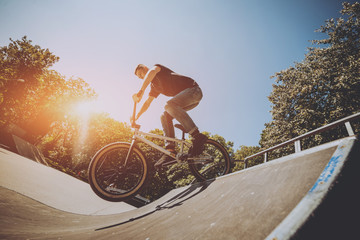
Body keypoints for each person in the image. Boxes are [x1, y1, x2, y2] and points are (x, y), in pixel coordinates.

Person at [132, 64, 207, 167]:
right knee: (164, 116)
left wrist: (141, 91)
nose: (141, 77)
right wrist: (136, 116)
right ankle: (170, 150)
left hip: (194, 91)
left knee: (169, 105)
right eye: (139, 77)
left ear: (145, 68)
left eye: (141, 74)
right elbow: (147, 103)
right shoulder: (154, 87)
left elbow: (151, 72)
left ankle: (197, 136)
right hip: (188, 100)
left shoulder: (157, 69)